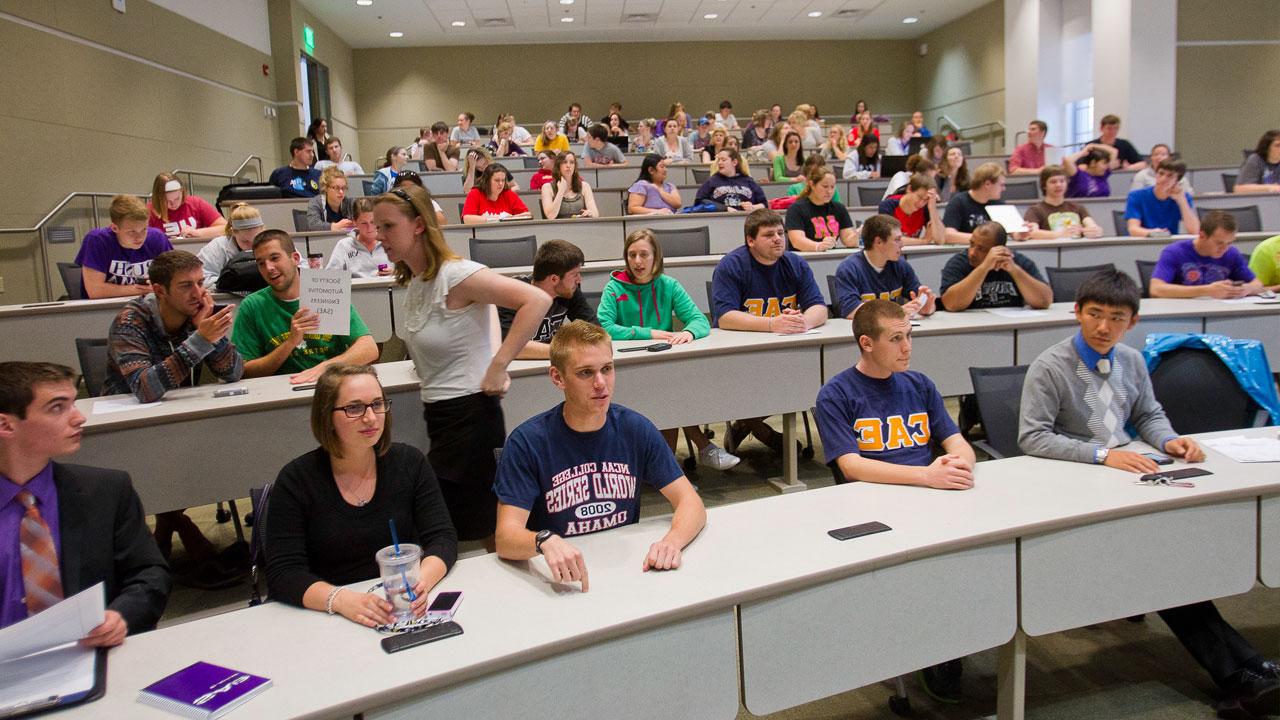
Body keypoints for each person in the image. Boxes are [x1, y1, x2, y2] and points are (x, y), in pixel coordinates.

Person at [1017, 269, 1279, 718]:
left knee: (1169, 567)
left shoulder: (1133, 361)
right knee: (1166, 569)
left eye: (1115, 318)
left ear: (1132, 322)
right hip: (1077, 483)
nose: (1103, 327)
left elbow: (1149, 414)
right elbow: (1032, 437)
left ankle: (1250, 671)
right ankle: (1246, 671)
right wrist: (1102, 455)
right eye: (1094, 315)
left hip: (1129, 475)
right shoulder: (1050, 366)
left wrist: (1170, 440)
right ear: (1076, 313)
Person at [372, 184, 550, 544]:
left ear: (419, 225)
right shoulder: (417, 282)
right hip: (440, 416)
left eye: (388, 226)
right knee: (455, 526)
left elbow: (536, 300)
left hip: (471, 419)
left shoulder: (457, 275)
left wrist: (498, 364)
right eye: (377, 228)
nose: (380, 236)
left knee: (477, 527)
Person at [493, 320, 707, 588]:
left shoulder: (634, 428)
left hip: (628, 570)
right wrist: (543, 540)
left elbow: (691, 503)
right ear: (558, 378)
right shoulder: (528, 442)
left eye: (607, 369)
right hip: (561, 578)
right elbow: (505, 537)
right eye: (585, 373)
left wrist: (671, 543)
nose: (600, 383)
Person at [266, 364, 457, 627]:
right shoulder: (296, 480)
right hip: (328, 613)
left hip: (401, 606)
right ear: (327, 416)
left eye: (377, 404)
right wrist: (341, 600)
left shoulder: (410, 463)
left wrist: (421, 582)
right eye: (354, 408)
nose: (370, 418)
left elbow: (443, 538)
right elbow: (283, 574)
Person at [0, 361, 170, 640]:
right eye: (57, 408)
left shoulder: (106, 490)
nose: (79, 418)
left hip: (87, 656)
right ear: (6, 425)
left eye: (73, 404)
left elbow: (149, 573)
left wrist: (120, 616)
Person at [103, 250, 243, 585]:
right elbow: (145, 388)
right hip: (127, 427)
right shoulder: (130, 321)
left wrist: (208, 333)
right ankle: (183, 524)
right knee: (171, 458)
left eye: (200, 283)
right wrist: (200, 340)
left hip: (178, 417)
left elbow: (234, 373)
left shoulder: (199, 315)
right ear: (159, 290)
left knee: (219, 446)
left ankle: (167, 524)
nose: (198, 293)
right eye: (186, 286)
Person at [597, 230, 739, 470]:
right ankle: (700, 451)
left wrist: (689, 332)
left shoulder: (669, 285)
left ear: (656, 257)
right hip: (626, 369)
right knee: (670, 394)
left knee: (671, 392)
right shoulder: (614, 288)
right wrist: (647, 332)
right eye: (632, 255)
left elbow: (699, 320)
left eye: (644, 254)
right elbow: (605, 328)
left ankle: (668, 468)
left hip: (661, 363)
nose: (638, 261)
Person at [816, 299, 970, 486]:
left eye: (908, 335)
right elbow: (851, 467)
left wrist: (959, 466)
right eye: (896, 338)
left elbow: (956, 442)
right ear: (867, 343)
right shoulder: (836, 394)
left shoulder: (920, 385)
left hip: (927, 489)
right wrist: (926, 476)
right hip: (873, 494)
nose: (907, 347)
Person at [712, 209, 828, 452]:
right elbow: (725, 317)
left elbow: (819, 307)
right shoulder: (732, 266)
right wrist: (772, 324)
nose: (778, 239)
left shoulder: (795, 263)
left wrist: (803, 323)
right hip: (742, 354)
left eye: (780, 233)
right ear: (750, 240)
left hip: (787, 351)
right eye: (769, 235)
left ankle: (748, 423)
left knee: (814, 376)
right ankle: (760, 429)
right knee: (763, 383)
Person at [231, 230, 379, 384]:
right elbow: (244, 370)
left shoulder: (324, 290)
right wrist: (290, 343)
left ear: (295, 258)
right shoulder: (252, 305)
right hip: (281, 390)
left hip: (331, 384)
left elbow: (368, 348)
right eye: (261, 263)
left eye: (275, 258)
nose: (269, 268)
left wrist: (325, 368)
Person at [496, 240, 597, 360]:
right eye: (575, 274)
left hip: (550, 364)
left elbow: (595, 330)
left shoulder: (569, 291)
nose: (579, 280)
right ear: (554, 279)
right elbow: (511, 348)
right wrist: (567, 351)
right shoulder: (512, 294)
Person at [832, 215, 936, 319]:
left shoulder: (900, 265)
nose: (902, 244)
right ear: (879, 242)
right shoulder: (849, 268)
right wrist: (895, 312)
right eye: (897, 239)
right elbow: (850, 311)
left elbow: (917, 297)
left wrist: (926, 306)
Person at [76, 195, 174, 299]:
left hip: (149, 305)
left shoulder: (157, 238)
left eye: (144, 229)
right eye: (132, 232)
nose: (139, 237)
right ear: (114, 228)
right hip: (104, 309)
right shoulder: (97, 240)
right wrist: (142, 289)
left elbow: (174, 279)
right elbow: (95, 291)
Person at [939, 222, 1053, 311]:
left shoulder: (1018, 261)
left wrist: (1015, 271)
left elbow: (1045, 301)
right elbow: (951, 304)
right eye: (972, 244)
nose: (972, 252)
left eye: (981, 249)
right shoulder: (959, 263)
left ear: (999, 249)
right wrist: (983, 268)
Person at [1148, 210, 1262, 299]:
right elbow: (1156, 289)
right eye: (1219, 243)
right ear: (1202, 235)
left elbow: (1258, 284)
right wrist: (1207, 290)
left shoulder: (1232, 254)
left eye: (1229, 243)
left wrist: (1247, 288)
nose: (1224, 248)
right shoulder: (1174, 252)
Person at [942, 162, 1028, 244]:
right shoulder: (958, 202)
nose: (1004, 189)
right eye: (1001, 185)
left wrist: (1020, 234)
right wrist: (984, 240)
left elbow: (1013, 232)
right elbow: (949, 235)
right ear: (987, 184)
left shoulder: (998, 204)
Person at [784, 165, 857, 251]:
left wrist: (857, 235)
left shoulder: (839, 208)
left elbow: (848, 241)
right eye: (825, 186)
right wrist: (818, 246)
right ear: (812, 185)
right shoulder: (796, 209)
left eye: (832, 187)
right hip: (804, 258)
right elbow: (797, 241)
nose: (829, 191)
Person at [1024, 166, 1104, 240]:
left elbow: (1092, 226)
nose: (1058, 185)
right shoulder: (1035, 210)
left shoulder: (1078, 207)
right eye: (1053, 182)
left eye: (1062, 181)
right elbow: (1032, 233)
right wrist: (1060, 234)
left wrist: (1092, 231)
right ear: (1044, 186)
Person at [1124, 160, 1199, 237]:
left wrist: (1182, 200)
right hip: (1144, 240)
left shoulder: (1183, 197)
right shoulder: (1136, 196)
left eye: (1170, 176)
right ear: (1155, 175)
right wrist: (1153, 233)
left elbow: (1194, 231)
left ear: (1176, 181)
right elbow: (1133, 229)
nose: (1163, 179)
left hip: (1170, 243)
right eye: (1161, 173)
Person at [197, 203, 263, 287]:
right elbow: (201, 278)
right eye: (245, 241)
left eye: (256, 240)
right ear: (233, 232)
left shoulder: (270, 244)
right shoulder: (217, 247)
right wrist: (232, 283)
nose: (251, 246)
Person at [326, 198, 391, 278]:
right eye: (364, 223)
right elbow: (330, 277)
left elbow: (407, 271)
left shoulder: (390, 241)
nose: (369, 227)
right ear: (355, 222)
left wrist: (395, 272)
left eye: (372, 222)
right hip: (356, 289)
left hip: (388, 289)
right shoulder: (344, 246)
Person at [147, 173, 224, 240]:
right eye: (167, 201)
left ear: (182, 192)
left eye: (177, 199)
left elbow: (225, 228)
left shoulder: (195, 203)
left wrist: (198, 233)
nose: (173, 203)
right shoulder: (149, 210)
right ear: (158, 199)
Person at [878, 173, 945, 245]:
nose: (921, 203)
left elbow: (940, 240)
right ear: (909, 189)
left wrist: (932, 208)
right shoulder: (888, 205)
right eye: (919, 197)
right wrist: (923, 241)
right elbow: (890, 239)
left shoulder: (926, 208)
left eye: (926, 200)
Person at [695, 148, 767, 212]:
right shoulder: (712, 181)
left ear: (734, 162)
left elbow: (764, 204)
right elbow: (699, 201)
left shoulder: (748, 181)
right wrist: (725, 208)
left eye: (723, 160)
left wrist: (753, 207)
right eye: (718, 160)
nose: (719, 163)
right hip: (719, 220)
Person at [462, 163, 531, 224]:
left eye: (503, 180)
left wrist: (510, 218)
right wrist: (497, 219)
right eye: (497, 180)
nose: (501, 184)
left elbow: (527, 215)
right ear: (487, 181)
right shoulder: (475, 193)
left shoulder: (509, 194)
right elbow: (467, 219)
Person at [540, 152, 598, 219]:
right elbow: (550, 216)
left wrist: (591, 213)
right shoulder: (547, 187)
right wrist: (561, 191)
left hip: (581, 226)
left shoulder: (585, 186)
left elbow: (595, 213)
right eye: (564, 162)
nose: (568, 165)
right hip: (558, 228)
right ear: (558, 166)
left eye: (572, 162)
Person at [302, 166, 355, 232]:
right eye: (336, 188)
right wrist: (335, 226)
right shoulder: (316, 202)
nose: (341, 192)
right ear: (326, 188)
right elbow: (313, 225)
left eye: (344, 188)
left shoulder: (350, 203)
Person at [1235, 129, 1280, 194]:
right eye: (1277, 145)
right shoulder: (1255, 160)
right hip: (1260, 201)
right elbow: (1239, 189)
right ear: (1267, 147)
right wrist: (1270, 188)